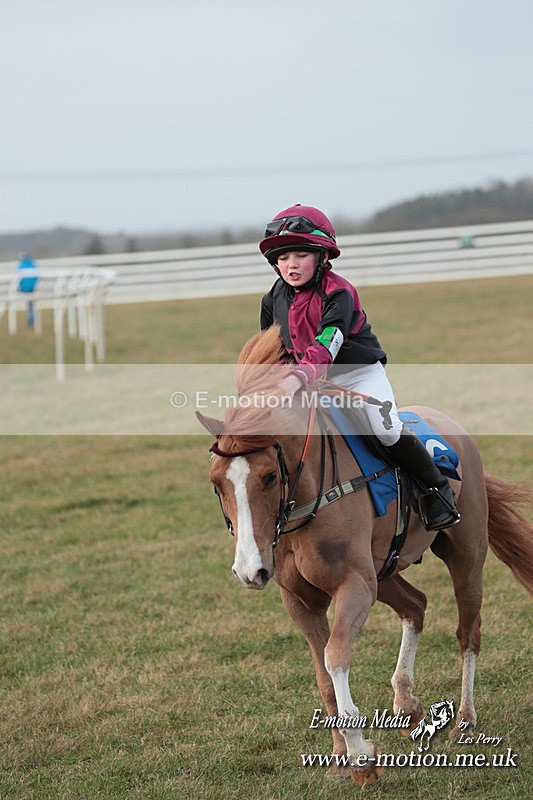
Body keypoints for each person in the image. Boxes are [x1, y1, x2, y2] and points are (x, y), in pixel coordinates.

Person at [258, 203, 460, 532]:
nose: (290, 265)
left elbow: (328, 342)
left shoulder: (339, 292)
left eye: (300, 255)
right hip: (305, 382)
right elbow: (272, 350)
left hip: (356, 374)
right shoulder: (271, 299)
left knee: (385, 428)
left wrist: (297, 377)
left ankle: (436, 489)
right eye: (282, 258)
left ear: (322, 256)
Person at [16, 252, 39, 328]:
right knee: (31, 304)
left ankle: (31, 320)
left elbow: (19, 277)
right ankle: (32, 320)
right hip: (33, 287)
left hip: (25, 288)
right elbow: (37, 275)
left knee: (30, 305)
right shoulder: (33, 264)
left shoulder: (21, 265)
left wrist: (20, 288)